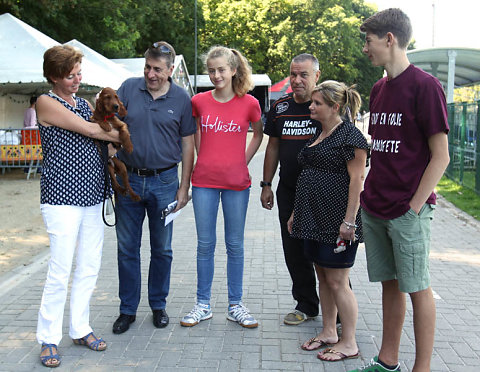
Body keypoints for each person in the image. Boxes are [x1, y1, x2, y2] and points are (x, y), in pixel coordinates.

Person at [349, 8, 450, 372]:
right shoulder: (378, 88)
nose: (366, 49)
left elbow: (441, 157)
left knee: (417, 287)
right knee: (389, 285)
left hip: (408, 210)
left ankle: (420, 368)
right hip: (376, 205)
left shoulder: (425, 86)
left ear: (389, 39)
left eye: (369, 41)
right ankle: (387, 361)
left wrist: (414, 207)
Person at [36, 45, 120, 368]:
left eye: (79, 74)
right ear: (55, 77)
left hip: (93, 195)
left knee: (89, 266)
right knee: (60, 269)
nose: (76, 80)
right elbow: (89, 130)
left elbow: (102, 139)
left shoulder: (85, 103)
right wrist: (118, 133)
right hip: (61, 198)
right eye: (70, 76)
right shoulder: (46, 102)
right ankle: (48, 337)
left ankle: (80, 328)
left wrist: (112, 148)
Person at [112, 41, 196, 334]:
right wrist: (110, 152)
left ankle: (158, 305)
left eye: (157, 69)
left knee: (162, 249)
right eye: (147, 67)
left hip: (164, 182)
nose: (150, 74)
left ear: (170, 69)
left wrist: (184, 187)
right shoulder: (128, 88)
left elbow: (188, 144)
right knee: (126, 249)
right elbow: (111, 125)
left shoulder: (182, 99)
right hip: (128, 181)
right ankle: (127, 310)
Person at [180, 46, 263, 328]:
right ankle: (202, 304)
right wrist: (202, 160)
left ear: (234, 70)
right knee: (205, 245)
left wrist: (244, 160)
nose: (216, 75)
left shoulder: (250, 103)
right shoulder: (199, 101)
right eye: (211, 70)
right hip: (203, 182)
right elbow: (194, 136)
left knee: (235, 245)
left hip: (237, 184)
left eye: (221, 70)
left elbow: (258, 134)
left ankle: (235, 304)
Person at [287, 81, 368, 362]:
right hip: (314, 218)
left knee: (338, 281)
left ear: (335, 107)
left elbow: (357, 181)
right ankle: (329, 331)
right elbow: (308, 175)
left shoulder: (350, 137)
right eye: (312, 102)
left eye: (317, 103)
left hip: (337, 221)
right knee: (322, 276)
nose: (311, 106)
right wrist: (298, 213)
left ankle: (349, 342)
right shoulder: (320, 134)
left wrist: (349, 223)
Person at [261, 54, 320, 325]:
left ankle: (342, 310)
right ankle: (306, 304)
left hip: (322, 193)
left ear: (316, 76)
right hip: (288, 190)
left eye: (303, 75)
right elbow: (272, 146)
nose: (296, 80)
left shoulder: (326, 106)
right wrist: (266, 184)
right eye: (293, 74)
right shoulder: (281, 108)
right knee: (294, 251)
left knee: (325, 252)